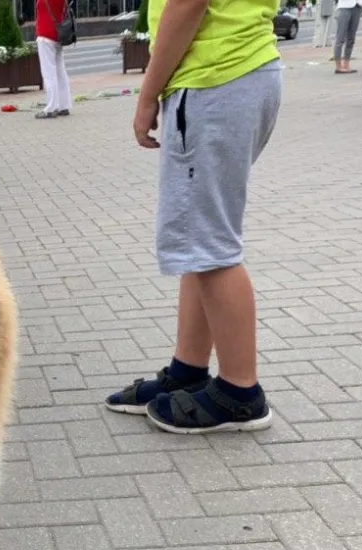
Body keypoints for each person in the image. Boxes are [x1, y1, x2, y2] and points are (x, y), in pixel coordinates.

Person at [114, 0, 282, 433]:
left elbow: (187, 4)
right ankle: (188, 370)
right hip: (240, 72)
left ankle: (240, 393)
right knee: (198, 239)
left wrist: (147, 95)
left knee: (210, 242)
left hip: (214, 77)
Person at [35, 0, 74, 118]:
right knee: (60, 72)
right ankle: (64, 105)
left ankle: (51, 107)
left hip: (45, 35)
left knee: (49, 74)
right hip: (58, 35)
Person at [333, 0, 362, 72]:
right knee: (340, 38)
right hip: (344, 7)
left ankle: (346, 64)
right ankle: (338, 66)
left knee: (351, 38)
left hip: (357, 6)